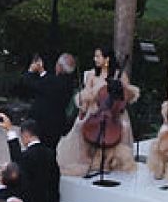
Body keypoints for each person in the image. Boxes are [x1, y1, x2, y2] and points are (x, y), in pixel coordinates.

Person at [58, 48, 138, 176]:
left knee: (124, 127)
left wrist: (120, 90)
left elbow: (127, 97)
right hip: (95, 110)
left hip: (114, 113)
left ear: (107, 59)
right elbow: (86, 95)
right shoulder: (91, 75)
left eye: (98, 56)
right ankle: (88, 158)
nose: (95, 59)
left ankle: (112, 160)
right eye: (95, 56)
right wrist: (84, 107)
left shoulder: (120, 75)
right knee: (80, 125)